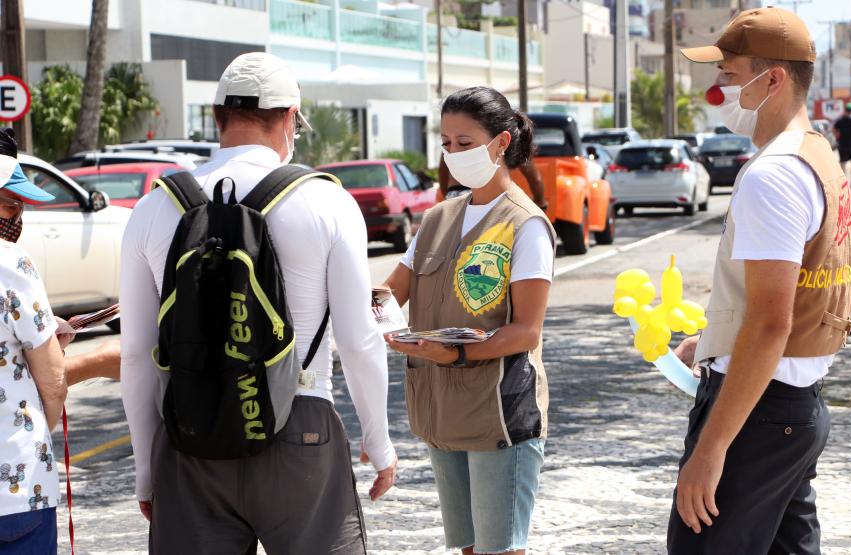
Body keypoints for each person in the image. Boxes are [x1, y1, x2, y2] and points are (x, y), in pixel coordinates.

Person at [119, 52, 396, 554]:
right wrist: (378, 443)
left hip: (191, 435)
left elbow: (138, 352)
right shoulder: (327, 202)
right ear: (291, 118)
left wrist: (146, 472)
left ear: (217, 115)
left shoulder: (153, 206)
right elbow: (358, 341)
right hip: (301, 424)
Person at [674, 7, 851, 554]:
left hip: (758, 415)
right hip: (793, 407)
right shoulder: (818, 157)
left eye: (728, 75)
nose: (719, 88)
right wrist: (713, 343)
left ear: (772, 79)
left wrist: (710, 450)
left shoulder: (773, 174)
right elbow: (800, 299)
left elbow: (771, 322)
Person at [383, 86, 555, 555]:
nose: (453, 153)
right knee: (469, 548)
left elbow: (526, 332)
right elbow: (392, 292)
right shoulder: (437, 218)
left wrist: (456, 352)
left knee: (500, 550)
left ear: (501, 142)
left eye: (465, 143)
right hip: (441, 410)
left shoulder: (526, 224)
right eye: (446, 142)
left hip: (498, 412)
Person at [0, 128, 67, 554]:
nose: (18, 217)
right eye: (10, 204)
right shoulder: (11, 262)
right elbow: (53, 380)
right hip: (18, 488)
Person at [438, 155, 548, 211]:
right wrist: (541, 203)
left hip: (455, 193)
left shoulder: (459, 130)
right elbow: (535, 179)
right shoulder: (508, 135)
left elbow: (443, 171)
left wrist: (449, 197)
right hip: (491, 198)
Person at [832, 102, 851, 189]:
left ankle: (844, 185)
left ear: (845, 110)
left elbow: (834, 129)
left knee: (843, 164)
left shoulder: (840, 121)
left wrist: (837, 136)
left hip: (842, 144)